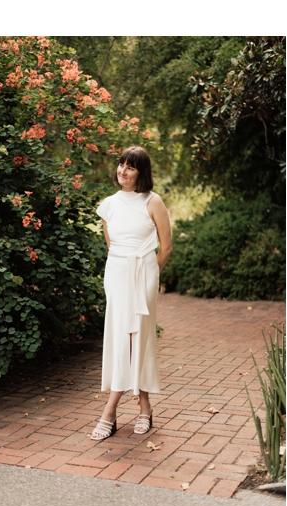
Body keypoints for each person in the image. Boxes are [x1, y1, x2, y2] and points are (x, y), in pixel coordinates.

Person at [89, 146, 171, 441]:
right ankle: (145, 407)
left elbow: (166, 246)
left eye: (130, 167)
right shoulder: (108, 205)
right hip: (117, 274)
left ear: (141, 173)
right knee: (121, 338)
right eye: (120, 164)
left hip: (144, 274)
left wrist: (152, 274)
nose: (122, 171)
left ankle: (109, 411)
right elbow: (112, 246)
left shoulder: (153, 201)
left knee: (139, 339)